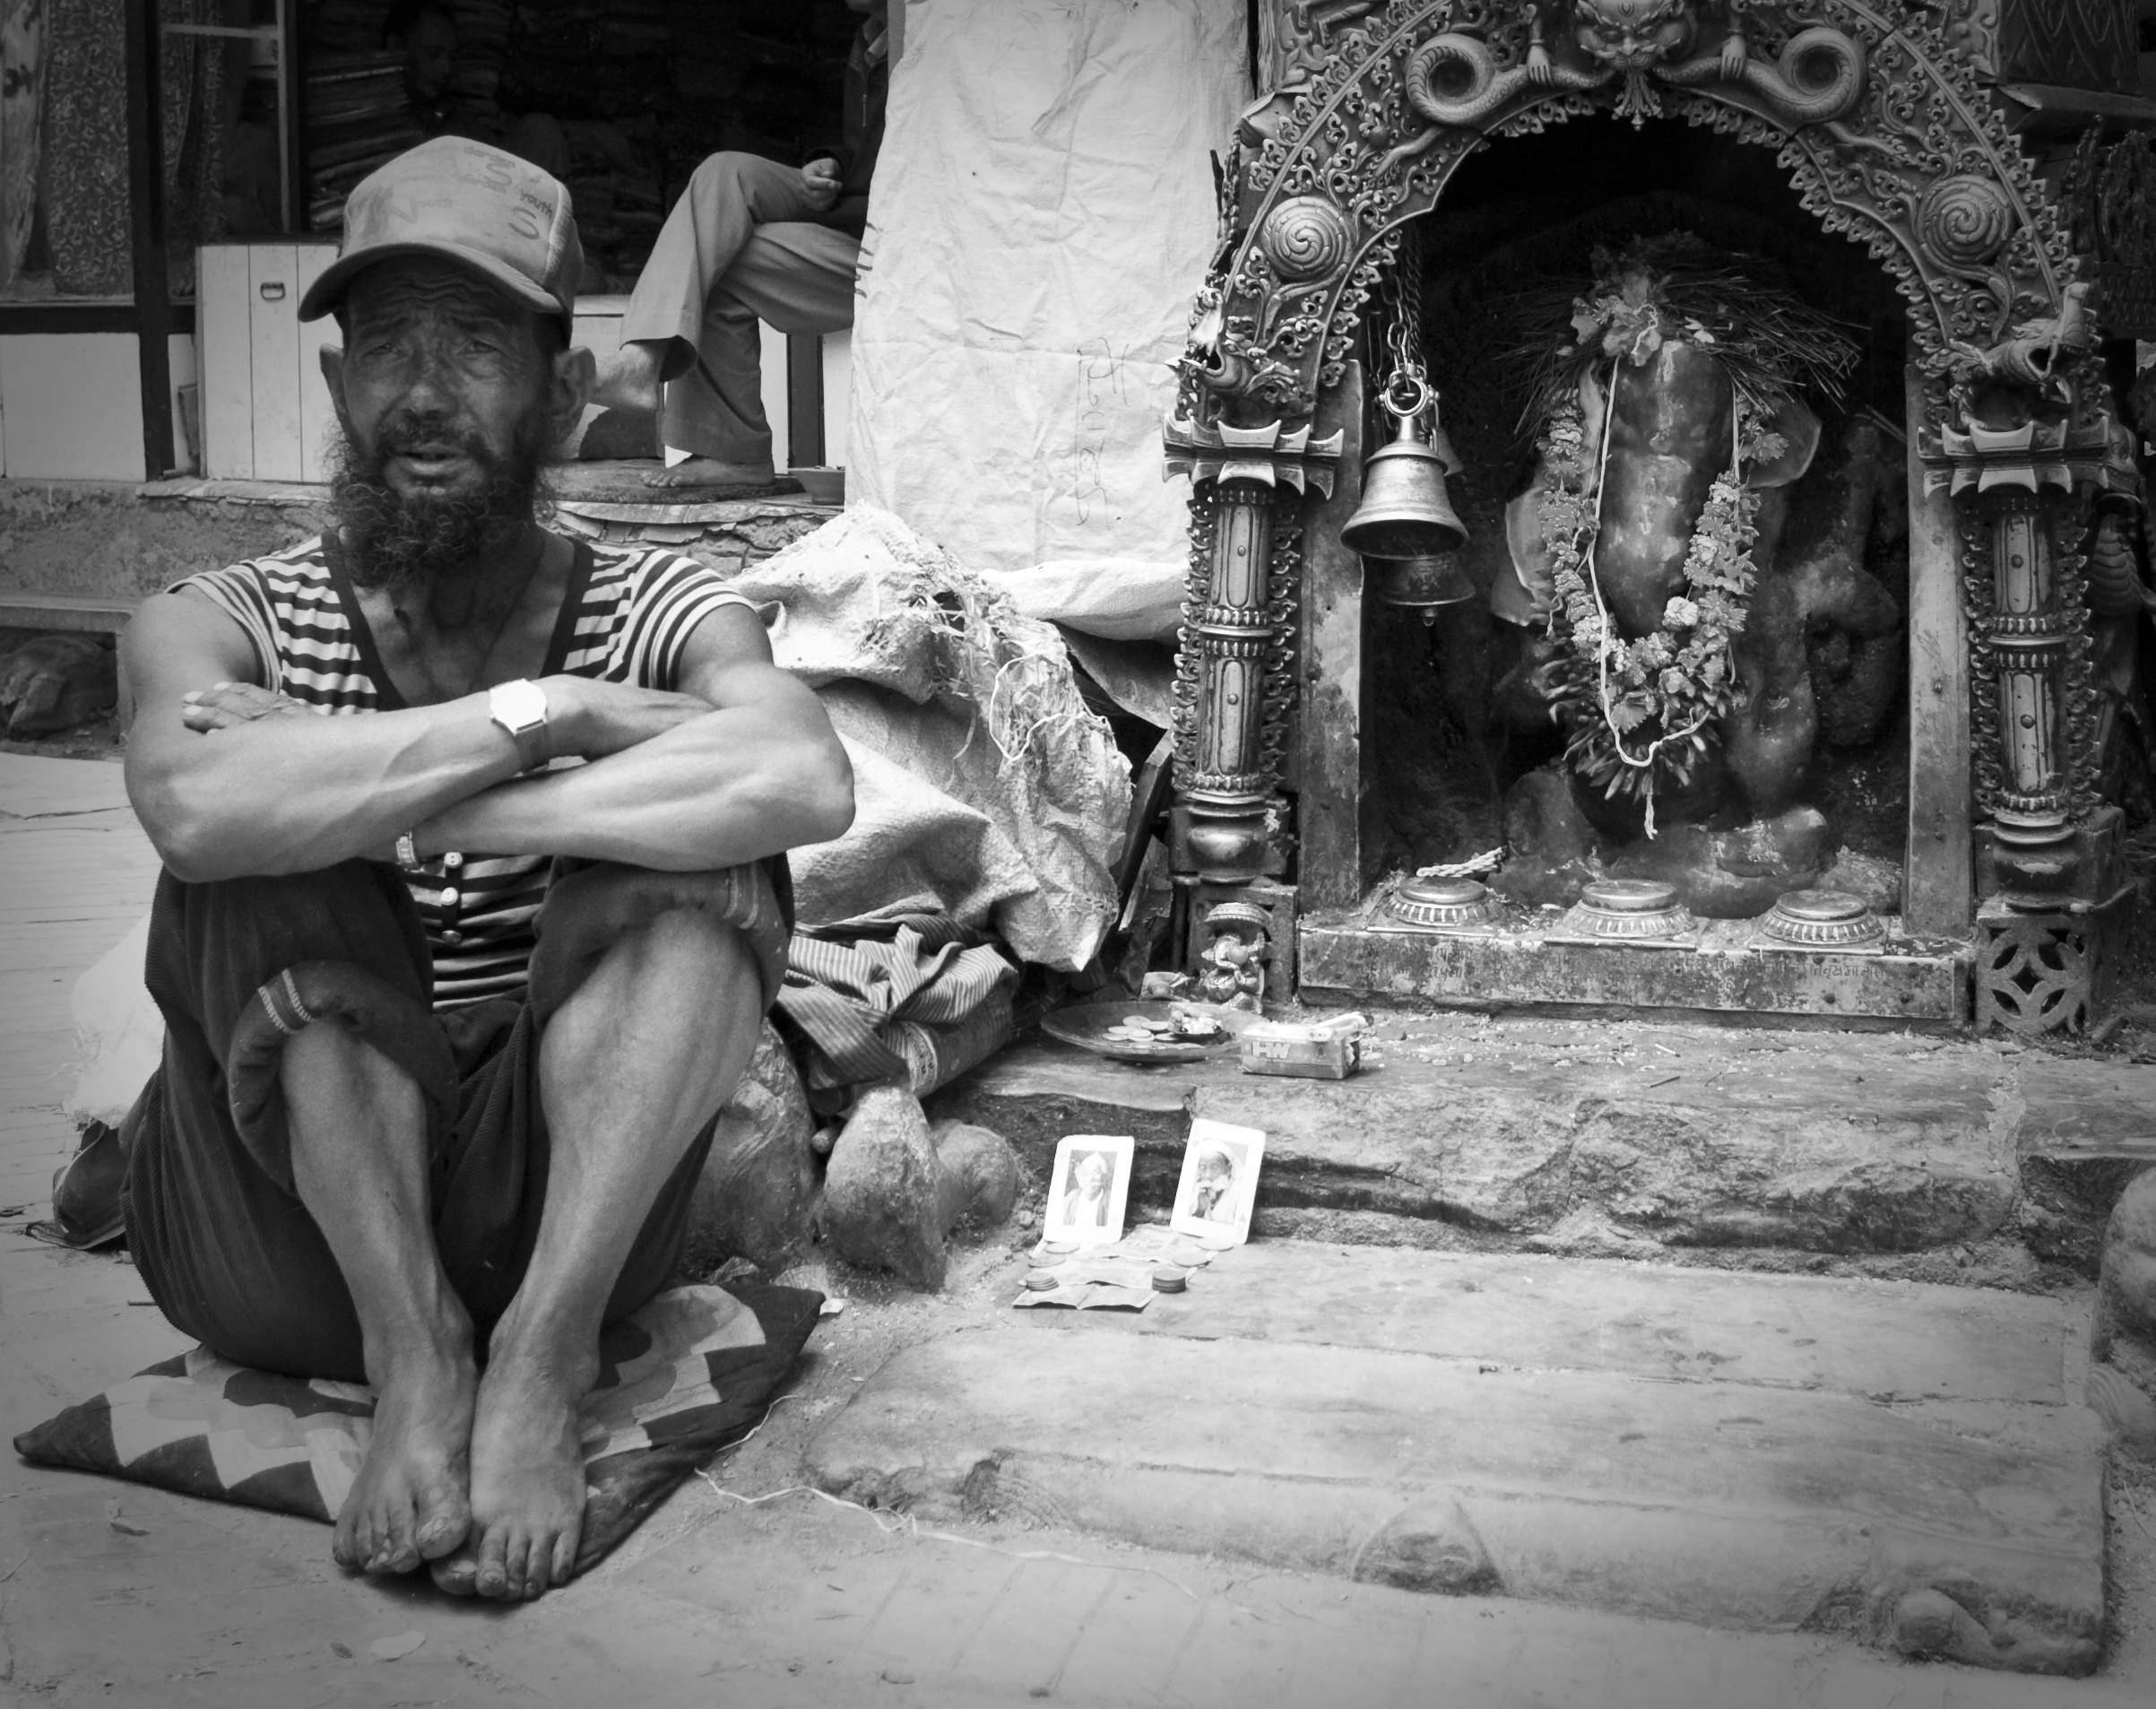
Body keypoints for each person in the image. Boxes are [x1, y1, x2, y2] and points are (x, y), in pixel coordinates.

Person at [117, 136, 853, 1602]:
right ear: (335, 389)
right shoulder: (223, 618)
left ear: (563, 391)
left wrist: (443, 796)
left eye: (473, 342)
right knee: (257, 865)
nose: (424, 390)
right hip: (280, 1241)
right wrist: (547, 733)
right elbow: (198, 809)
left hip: (552, 1221)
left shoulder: (661, 605)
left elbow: (799, 777)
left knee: (717, 874)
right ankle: (415, 1351)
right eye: (386, 344)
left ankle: (533, 1358)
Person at [589, 0, 888, 487]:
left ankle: (734, 452)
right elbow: (866, 157)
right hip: (852, 209)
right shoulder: (872, 38)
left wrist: (837, 200)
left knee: (719, 254)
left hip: (888, 245)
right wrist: (827, 163)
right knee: (721, 172)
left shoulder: (927, 43)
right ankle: (642, 359)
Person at [383, 0, 572, 187]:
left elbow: (495, 160)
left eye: (452, 57)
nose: (447, 68)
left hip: (487, 207)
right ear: (396, 48)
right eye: (433, 54)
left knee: (540, 127)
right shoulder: (371, 118)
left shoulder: (452, 114)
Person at [1060, 1150, 1113, 1229]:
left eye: (1095, 1172)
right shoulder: (1070, 1199)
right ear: (1079, 1177)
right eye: (1085, 1173)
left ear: (1104, 1177)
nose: (1090, 1179)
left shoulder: (1111, 1200)